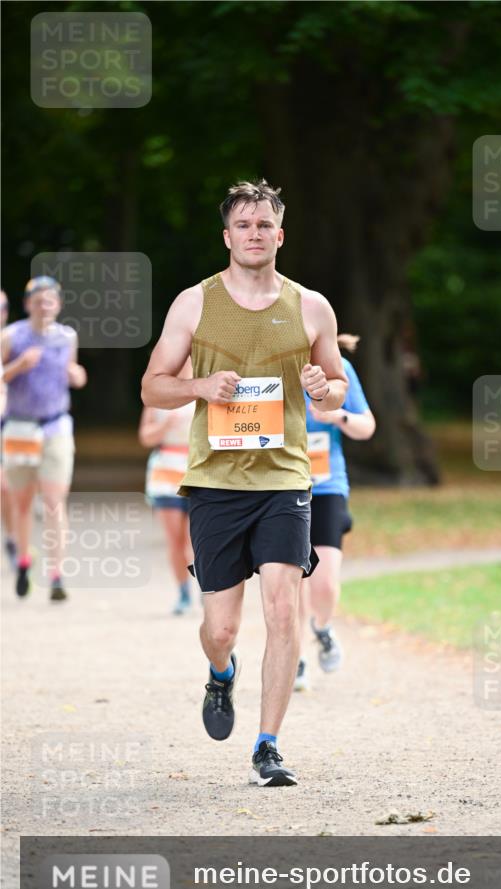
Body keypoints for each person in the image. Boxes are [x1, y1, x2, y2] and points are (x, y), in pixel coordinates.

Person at [141, 179, 348, 787]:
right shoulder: (194, 304)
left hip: (285, 477)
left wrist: (321, 390)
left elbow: (336, 389)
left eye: (265, 225)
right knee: (221, 628)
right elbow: (152, 386)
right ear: (226, 236)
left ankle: (268, 745)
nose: (254, 235)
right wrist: (200, 387)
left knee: (284, 609)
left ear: (279, 236)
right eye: (244, 225)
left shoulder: (311, 306)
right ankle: (220, 673)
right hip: (215, 482)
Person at [295, 338, 376, 691]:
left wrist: (336, 415)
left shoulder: (338, 369)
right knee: (291, 579)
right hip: (283, 486)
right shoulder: (269, 367)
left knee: (324, 583)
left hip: (327, 487)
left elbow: (367, 426)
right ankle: (294, 657)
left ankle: (322, 627)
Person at [1, 276, 87, 601]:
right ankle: (24, 561)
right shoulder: (11, 336)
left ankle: (56, 575)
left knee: (54, 503)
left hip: (56, 427)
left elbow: (74, 370)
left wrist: (78, 375)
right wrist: (16, 367)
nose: (44, 305)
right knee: (22, 503)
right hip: (19, 428)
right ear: (28, 305)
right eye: (38, 300)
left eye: (50, 299)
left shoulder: (67, 337)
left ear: (59, 304)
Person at [138, 360, 195, 616]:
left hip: (197, 470)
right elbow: (145, 436)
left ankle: (209, 591)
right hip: (166, 471)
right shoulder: (157, 390)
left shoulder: (206, 385)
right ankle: (183, 591)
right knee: (174, 540)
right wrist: (165, 426)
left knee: (197, 541)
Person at [0, 288, 17, 568]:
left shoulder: (15, 338)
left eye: (2, 307)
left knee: (6, 486)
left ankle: (13, 538)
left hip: (8, 422)